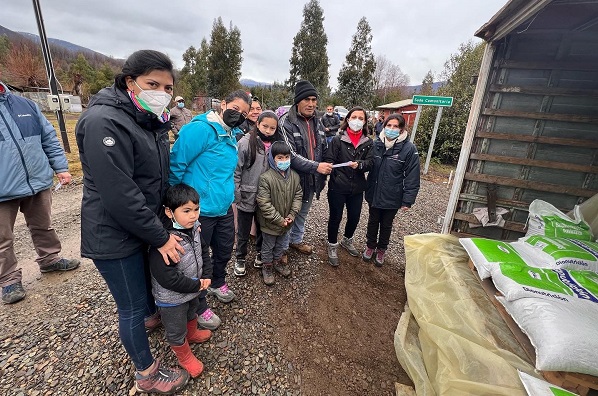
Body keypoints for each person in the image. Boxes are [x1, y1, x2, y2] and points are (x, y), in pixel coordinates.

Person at [76, 50, 189, 394]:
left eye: (167, 87)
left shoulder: (150, 119)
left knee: (142, 300)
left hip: (140, 229)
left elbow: (155, 179)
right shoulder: (103, 122)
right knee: (130, 306)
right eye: (152, 84)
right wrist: (160, 237)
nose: (161, 92)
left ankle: (148, 321)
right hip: (114, 234)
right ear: (129, 82)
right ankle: (147, 373)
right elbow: (120, 195)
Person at [169, 90, 251, 323]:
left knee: (224, 250)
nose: (239, 115)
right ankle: (199, 304)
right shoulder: (200, 129)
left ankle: (217, 283)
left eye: (244, 113)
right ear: (222, 104)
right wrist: (176, 202)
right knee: (197, 261)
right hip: (199, 210)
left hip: (223, 207)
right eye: (235, 109)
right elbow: (177, 164)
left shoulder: (232, 133)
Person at [0, 81, 80, 305]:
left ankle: (49, 259)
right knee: (2, 238)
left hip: (37, 180)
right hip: (2, 188)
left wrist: (61, 168)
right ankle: (8, 279)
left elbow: (48, 137)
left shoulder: (25, 105)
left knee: (43, 225)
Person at [149, 184, 213, 379]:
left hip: (194, 288)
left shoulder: (194, 229)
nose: (193, 216)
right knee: (175, 329)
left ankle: (192, 334)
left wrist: (207, 275)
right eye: (186, 211)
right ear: (169, 212)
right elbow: (167, 278)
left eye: (196, 209)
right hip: (172, 299)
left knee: (192, 311)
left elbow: (204, 252)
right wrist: (196, 284)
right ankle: (184, 356)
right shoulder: (164, 241)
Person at [281, 80, 333, 255]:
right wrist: (317, 166)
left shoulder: (317, 121)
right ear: (297, 101)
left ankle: (296, 241)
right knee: (288, 214)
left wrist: (329, 161)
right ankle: (282, 249)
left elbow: (324, 147)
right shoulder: (286, 122)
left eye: (314, 99)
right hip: (292, 180)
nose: (311, 104)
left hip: (311, 179)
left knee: (302, 212)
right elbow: (291, 155)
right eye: (307, 100)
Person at [364, 114, 420, 267]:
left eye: (396, 126)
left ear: (401, 129)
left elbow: (412, 176)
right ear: (384, 126)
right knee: (373, 221)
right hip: (374, 192)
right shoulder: (375, 144)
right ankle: (370, 246)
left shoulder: (409, 149)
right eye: (389, 126)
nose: (391, 129)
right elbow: (366, 163)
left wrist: (408, 199)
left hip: (393, 196)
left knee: (386, 224)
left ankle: (381, 249)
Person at [233, 111, 284, 277]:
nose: (268, 130)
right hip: (247, 196)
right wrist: (237, 193)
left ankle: (261, 253)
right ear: (257, 124)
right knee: (243, 229)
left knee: (263, 228)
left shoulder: (277, 145)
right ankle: (240, 257)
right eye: (265, 126)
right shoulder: (246, 142)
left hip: (266, 198)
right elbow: (236, 170)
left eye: (272, 128)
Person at [323, 106, 373, 266]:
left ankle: (347, 240)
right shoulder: (338, 139)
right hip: (337, 186)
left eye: (361, 118)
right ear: (348, 119)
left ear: (365, 122)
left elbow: (370, 163)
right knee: (335, 218)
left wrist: (359, 165)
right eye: (354, 117)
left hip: (357, 188)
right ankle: (332, 245)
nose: (357, 121)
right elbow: (330, 158)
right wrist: (328, 166)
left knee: (354, 217)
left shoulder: (368, 142)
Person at [256, 142, 302, 285]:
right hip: (270, 223)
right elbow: (264, 203)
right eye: (280, 158)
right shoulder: (266, 178)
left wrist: (292, 215)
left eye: (287, 157)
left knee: (282, 244)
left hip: (287, 222)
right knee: (268, 246)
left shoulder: (294, 176)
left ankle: (277, 262)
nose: (284, 161)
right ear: (272, 158)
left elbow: (298, 196)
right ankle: (267, 266)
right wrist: (278, 219)